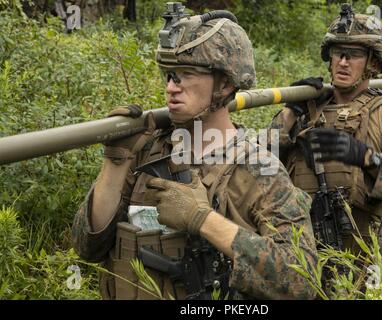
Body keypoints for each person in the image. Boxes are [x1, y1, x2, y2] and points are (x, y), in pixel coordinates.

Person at [72, 3, 317, 300]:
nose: (172, 87)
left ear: (225, 84)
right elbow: (87, 247)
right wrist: (115, 161)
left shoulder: (260, 168)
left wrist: (201, 219)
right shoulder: (148, 149)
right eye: (169, 75)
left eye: (186, 74)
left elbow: (300, 280)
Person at [269, 5, 382, 256]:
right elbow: (260, 164)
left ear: (372, 63)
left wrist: (366, 158)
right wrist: (291, 111)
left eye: (353, 55)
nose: (343, 62)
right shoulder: (305, 110)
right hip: (298, 251)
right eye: (338, 53)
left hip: (358, 254)